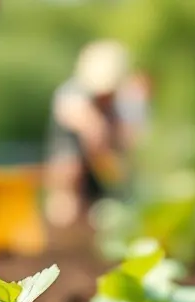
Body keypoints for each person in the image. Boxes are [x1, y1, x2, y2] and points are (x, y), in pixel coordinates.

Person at [43, 40, 149, 229]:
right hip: (74, 166)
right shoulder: (71, 94)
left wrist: (114, 162)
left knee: (119, 197)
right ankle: (66, 219)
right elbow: (90, 130)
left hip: (109, 167)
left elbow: (130, 139)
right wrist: (97, 135)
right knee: (68, 173)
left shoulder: (127, 101)